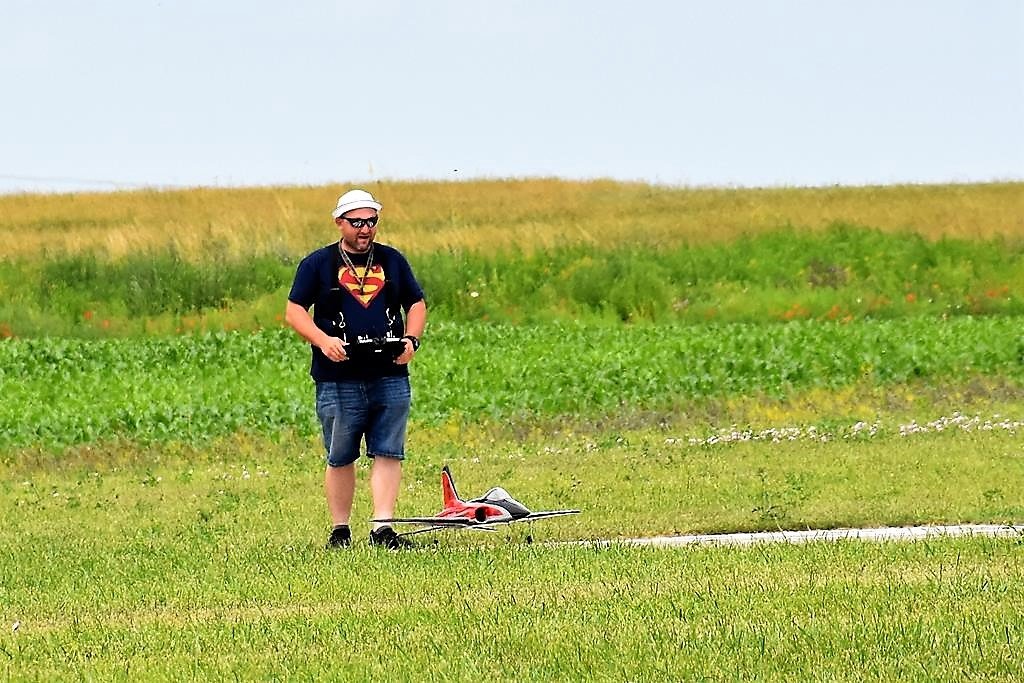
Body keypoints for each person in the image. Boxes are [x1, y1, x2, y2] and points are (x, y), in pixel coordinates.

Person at [285, 189, 427, 550]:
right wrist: (323, 340)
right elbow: (294, 310)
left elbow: (416, 302)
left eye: (371, 221)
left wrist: (411, 341)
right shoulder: (317, 264)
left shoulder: (392, 260)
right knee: (340, 454)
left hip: (389, 371)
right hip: (338, 376)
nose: (365, 229)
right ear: (339, 222)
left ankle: (383, 527)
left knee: (389, 449)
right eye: (357, 222)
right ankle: (340, 530)